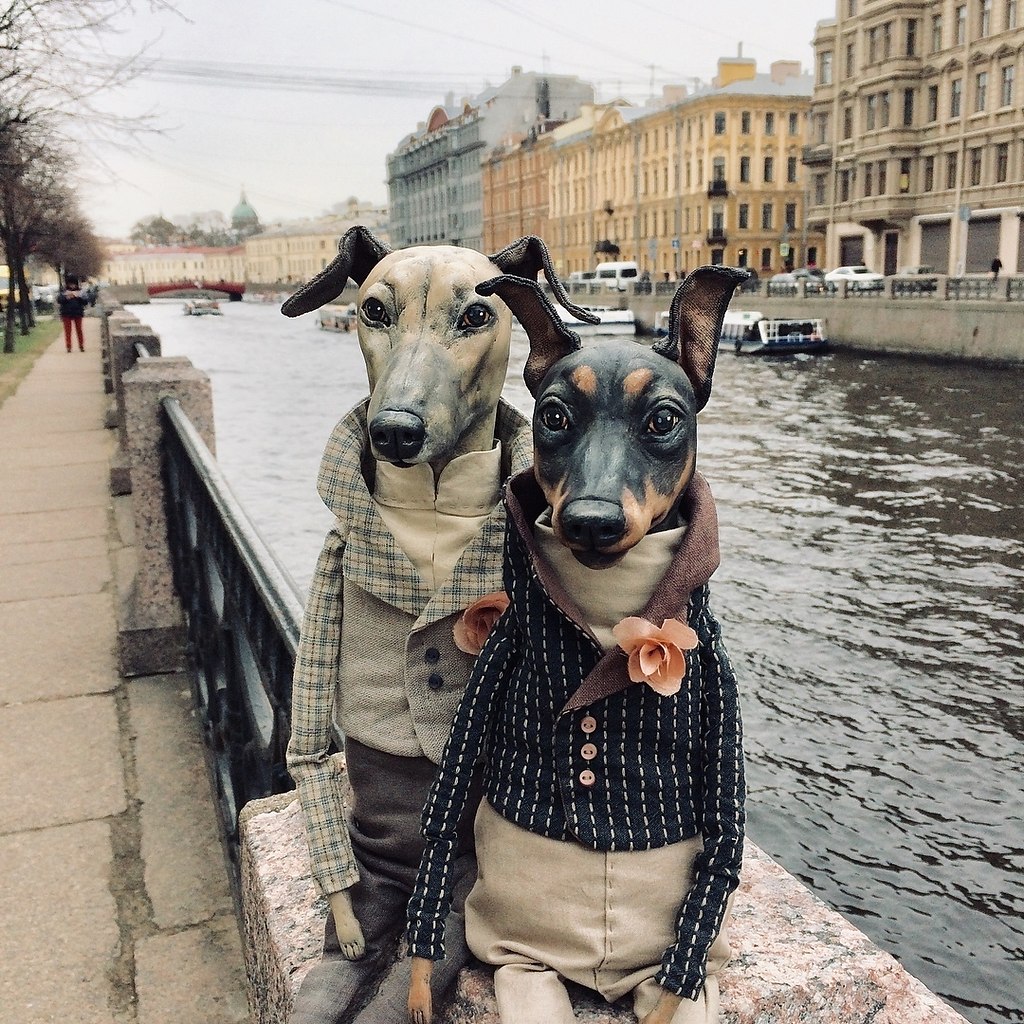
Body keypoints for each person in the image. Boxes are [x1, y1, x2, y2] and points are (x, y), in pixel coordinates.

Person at [57, 277, 89, 352]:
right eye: (70, 284)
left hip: (77, 313)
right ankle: (68, 346)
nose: (72, 286)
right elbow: (59, 300)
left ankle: (81, 345)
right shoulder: (64, 292)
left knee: (79, 330)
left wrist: (78, 297)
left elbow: (85, 302)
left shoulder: (80, 292)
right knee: (67, 331)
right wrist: (67, 297)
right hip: (66, 313)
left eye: (73, 284)